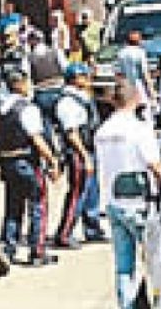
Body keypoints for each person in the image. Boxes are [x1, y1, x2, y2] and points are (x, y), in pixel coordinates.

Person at [95, 79, 161, 309]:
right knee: (155, 262)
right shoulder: (138, 130)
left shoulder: (103, 131)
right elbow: (155, 166)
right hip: (139, 203)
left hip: (112, 203)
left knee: (124, 266)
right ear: (136, 99)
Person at [0, 71, 62, 267]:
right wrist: (52, 160)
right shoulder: (27, 109)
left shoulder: (0, 109)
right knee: (38, 204)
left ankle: (8, 249)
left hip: (7, 161)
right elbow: (37, 138)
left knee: (12, 207)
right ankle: (37, 251)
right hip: (26, 160)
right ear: (21, 84)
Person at [52, 64, 106, 249]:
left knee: (92, 192)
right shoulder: (67, 102)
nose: (87, 77)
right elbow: (71, 133)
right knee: (78, 194)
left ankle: (93, 229)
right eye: (83, 75)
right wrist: (85, 156)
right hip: (78, 152)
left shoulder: (82, 97)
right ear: (74, 79)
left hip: (89, 148)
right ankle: (64, 234)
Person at [116, 31, 156, 122]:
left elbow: (118, 73)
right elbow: (145, 74)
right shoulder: (140, 52)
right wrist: (152, 91)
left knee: (130, 112)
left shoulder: (121, 53)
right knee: (144, 112)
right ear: (138, 40)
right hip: (138, 85)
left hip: (126, 86)